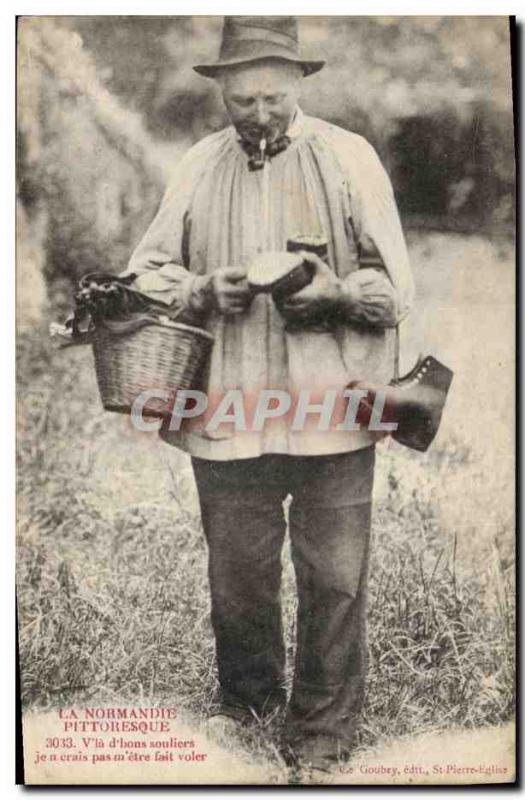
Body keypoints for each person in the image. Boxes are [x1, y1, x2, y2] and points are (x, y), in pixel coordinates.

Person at [123, 16, 414, 779]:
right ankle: (247, 707)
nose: (257, 114)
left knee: (336, 575)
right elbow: (145, 271)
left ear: (299, 86)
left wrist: (339, 295)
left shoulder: (348, 158)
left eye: (272, 98)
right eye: (242, 99)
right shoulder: (196, 163)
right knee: (238, 569)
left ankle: (321, 728)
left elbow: (396, 290)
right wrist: (197, 287)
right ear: (219, 90)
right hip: (225, 404)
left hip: (332, 403)